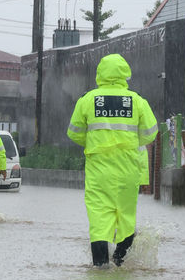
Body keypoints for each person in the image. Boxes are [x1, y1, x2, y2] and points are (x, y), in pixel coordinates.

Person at [67, 53, 158, 266]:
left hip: (98, 171)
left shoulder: (88, 99)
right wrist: (130, 142)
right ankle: (120, 262)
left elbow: (74, 132)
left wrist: (94, 143)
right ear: (125, 74)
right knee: (125, 215)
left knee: (99, 219)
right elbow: (150, 133)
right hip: (127, 169)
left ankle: (100, 268)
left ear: (100, 74)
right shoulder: (137, 101)